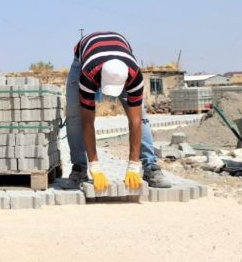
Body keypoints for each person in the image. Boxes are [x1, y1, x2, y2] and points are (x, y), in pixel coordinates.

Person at [65, 31, 171, 190]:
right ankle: (80, 168)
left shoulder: (134, 75)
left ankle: (150, 167)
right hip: (83, 58)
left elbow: (135, 121)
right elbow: (88, 122)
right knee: (75, 115)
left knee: (141, 117)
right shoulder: (88, 74)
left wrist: (133, 166)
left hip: (121, 55)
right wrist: (95, 166)